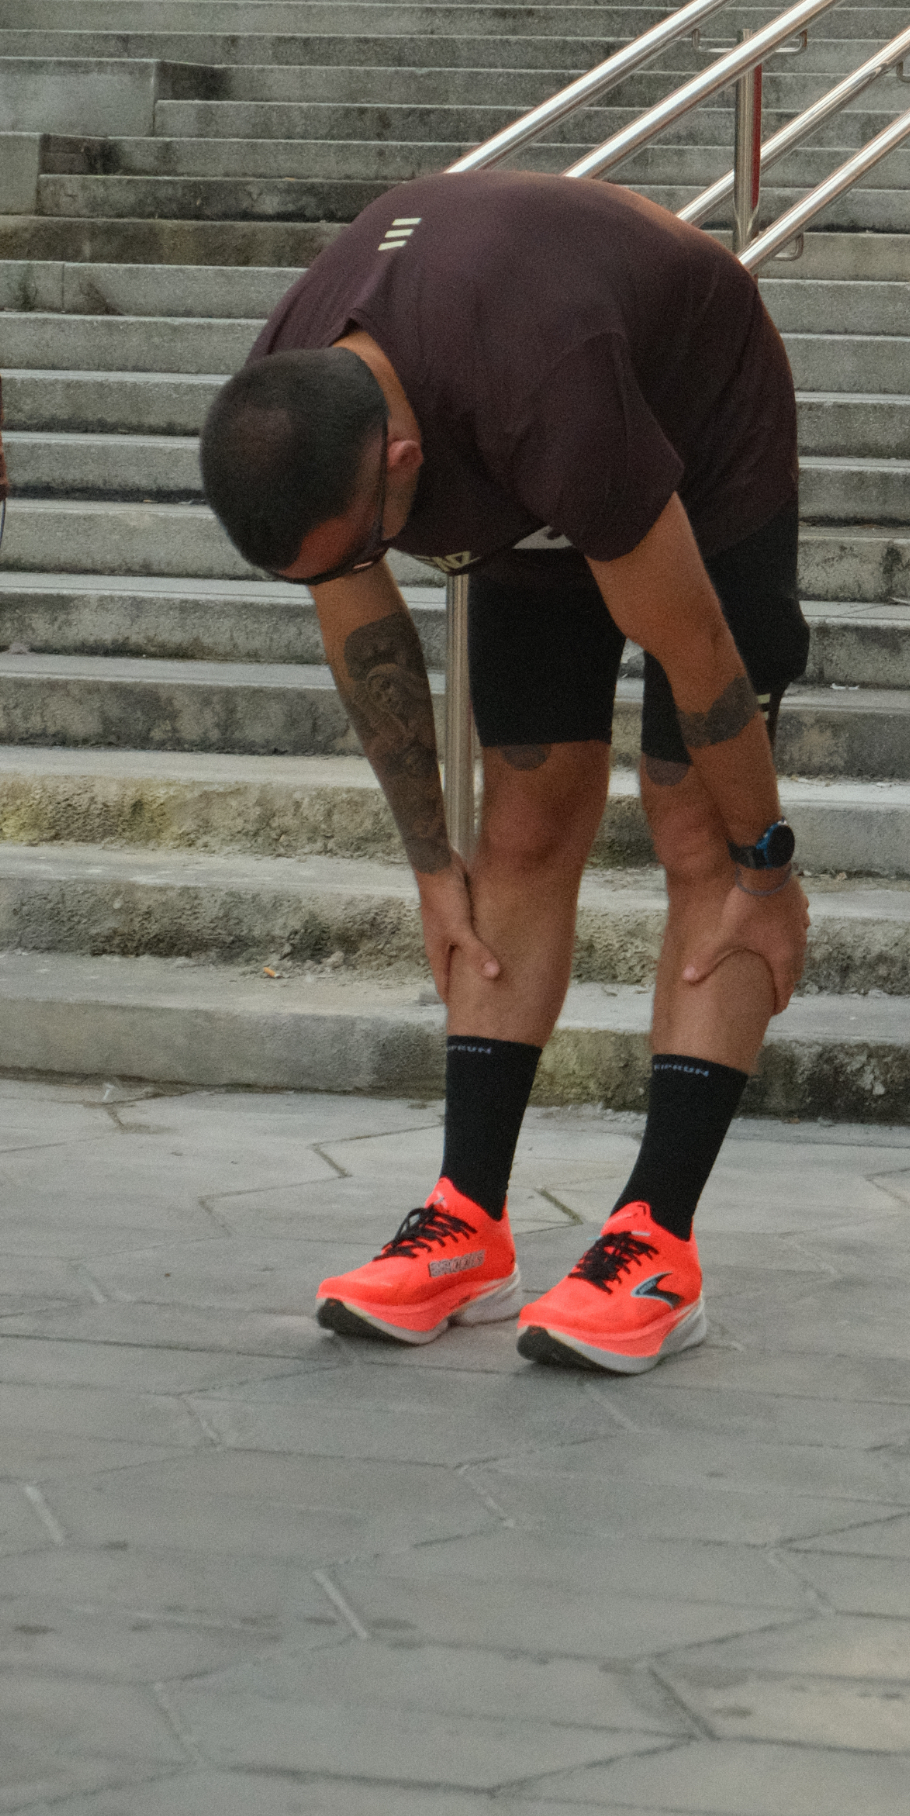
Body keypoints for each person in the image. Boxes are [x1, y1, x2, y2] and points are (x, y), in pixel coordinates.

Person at [198, 168, 810, 1376]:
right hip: (511, 449)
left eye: (374, 544)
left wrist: (770, 863)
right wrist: (431, 864)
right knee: (519, 831)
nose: (370, 568)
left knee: (701, 837)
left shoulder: (547, 393)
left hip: (693, 430)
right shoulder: (297, 397)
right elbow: (363, 630)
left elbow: (694, 650)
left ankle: (655, 1243)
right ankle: (467, 1225)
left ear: (406, 458)